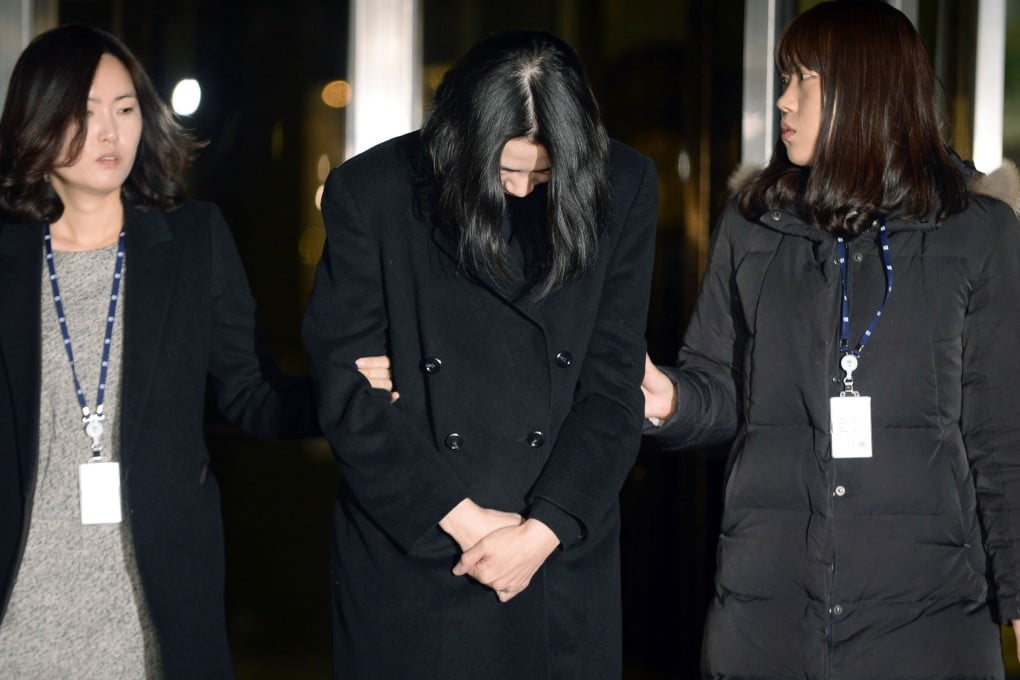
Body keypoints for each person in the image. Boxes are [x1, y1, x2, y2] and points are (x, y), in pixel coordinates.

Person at [642, 1, 1020, 677]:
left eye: (802, 81)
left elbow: (1002, 434)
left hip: (929, 618)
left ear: (864, 92)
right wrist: (665, 398)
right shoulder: (752, 223)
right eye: (784, 78)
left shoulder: (977, 233)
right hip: (766, 614)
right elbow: (719, 387)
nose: (783, 100)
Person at [303, 29, 658, 679]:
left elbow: (612, 381)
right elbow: (345, 385)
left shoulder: (625, 182)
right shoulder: (375, 190)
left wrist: (541, 532)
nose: (523, 192)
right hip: (417, 543)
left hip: (557, 548)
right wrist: (466, 524)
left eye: (544, 175)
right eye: (505, 170)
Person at [0, 25, 319, 678]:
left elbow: (253, 394)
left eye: (124, 109)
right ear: (37, 121)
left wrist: (347, 393)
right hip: (21, 601)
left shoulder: (193, 243)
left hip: (153, 600)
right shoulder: (4, 261)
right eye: (84, 113)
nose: (110, 133)